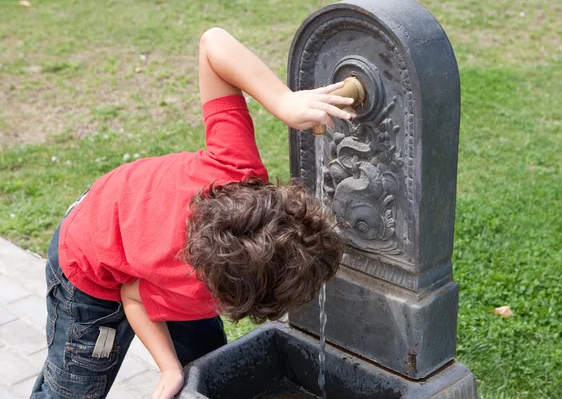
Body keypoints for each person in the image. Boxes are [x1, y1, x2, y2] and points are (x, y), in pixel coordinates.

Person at [30, 27, 354, 399]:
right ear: (228, 297)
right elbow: (132, 295)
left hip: (128, 212)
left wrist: (283, 101)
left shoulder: (238, 168)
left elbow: (215, 44)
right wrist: (168, 368)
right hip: (87, 263)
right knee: (73, 386)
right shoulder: (190, 285)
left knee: (208, 363)